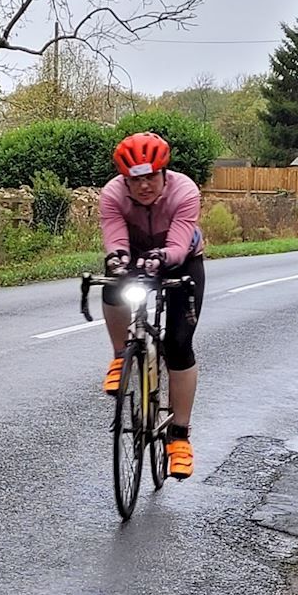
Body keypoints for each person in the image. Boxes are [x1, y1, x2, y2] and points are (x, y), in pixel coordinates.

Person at [98, 132, 206, 479]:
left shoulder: (184, 191)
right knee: (112, 282)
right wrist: (118, 260)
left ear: (164, 173)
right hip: (135, 255)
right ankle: (120, 356)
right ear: (124, 180)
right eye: (135, 180)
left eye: (150, 177)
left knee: (177, 344)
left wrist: (162, 258)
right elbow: (115, 238)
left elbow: (177, 244)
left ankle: (179, 438)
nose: (144, 186)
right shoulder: (112, 195)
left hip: (181, 261)